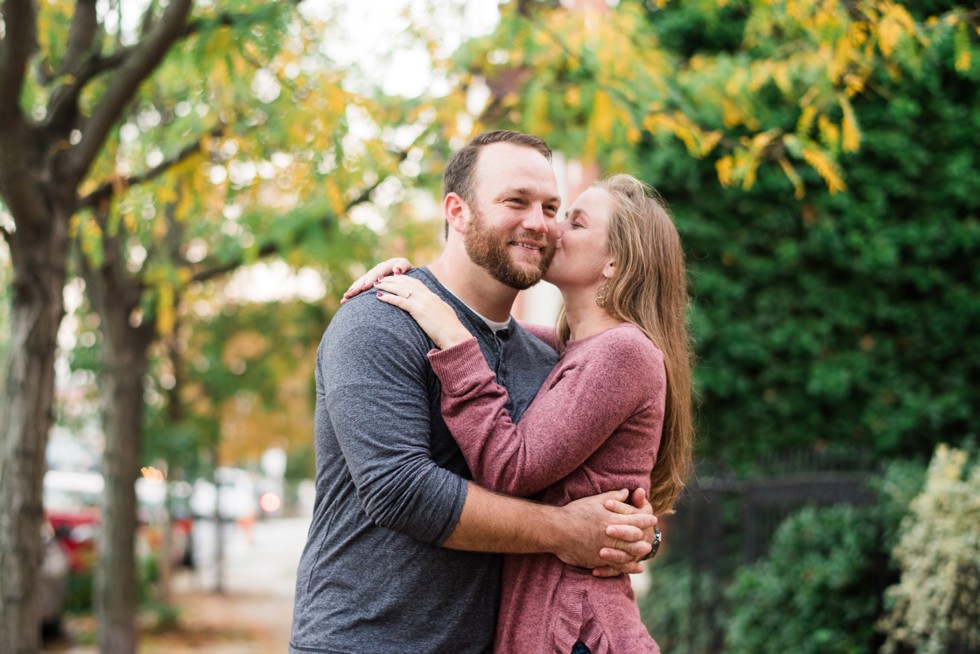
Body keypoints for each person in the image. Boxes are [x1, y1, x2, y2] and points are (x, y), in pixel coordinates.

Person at [289, 131, 659, 654]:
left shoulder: (549, 358)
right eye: (515, 200)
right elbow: (401, 491)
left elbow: (591, 477)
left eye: (552, 207)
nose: (539, 221)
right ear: (456, 211)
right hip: (364, 640)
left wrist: (636, 533)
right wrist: (562, 531)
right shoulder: (379, 321)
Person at [363, 173, 694, 653]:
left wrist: (454, 343)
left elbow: (510, 468)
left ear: (614, 262)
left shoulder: (623, 351)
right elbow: (489, 326)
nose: (552, 229)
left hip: (576, 631)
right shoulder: (569, 349)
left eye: (574, 222)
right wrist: (417, 282)